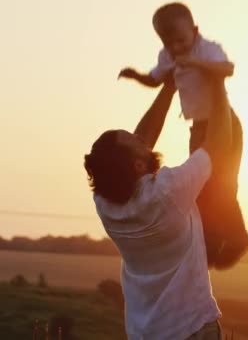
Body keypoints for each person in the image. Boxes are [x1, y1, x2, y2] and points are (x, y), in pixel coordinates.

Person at [84, 75, 230, 339]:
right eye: (135, 141)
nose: (141, 138)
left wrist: (170, 86)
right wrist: (218, 83)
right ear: (137, 165)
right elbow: (218, 145)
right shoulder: (168, 191)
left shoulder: (104, 203)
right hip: (192, 329)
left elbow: (140, 142)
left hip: (145, 333)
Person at [118, 2, 248, 269]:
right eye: (169, 43)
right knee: (200, 184)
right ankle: (210, 241)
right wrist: (137, 76)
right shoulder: (168, 56)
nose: (176, 48)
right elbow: (157, 80)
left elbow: (228, 68)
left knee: (224, 182)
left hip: (225, 124)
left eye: (181, 40)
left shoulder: (207, 49)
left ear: (195, 30)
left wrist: (195, 63)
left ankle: (236, 239)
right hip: (198, 128)